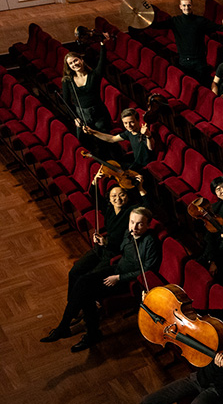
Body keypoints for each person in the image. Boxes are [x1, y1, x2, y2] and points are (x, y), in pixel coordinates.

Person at [42, 178, 146, 345]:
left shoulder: (131, 214)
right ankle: (74, 312)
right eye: (114, 196)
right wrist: (95, 180)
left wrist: (141, 189)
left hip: (113, 257)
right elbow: (94, 196)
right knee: (75, 272)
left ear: (127, 196)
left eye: (121, 195)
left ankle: (68, 322)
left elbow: (145, 209)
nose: (118, 199)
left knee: (85, 285)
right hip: (102, 249)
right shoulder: (110, 210)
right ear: (109, 198)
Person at [62, 206, 161, 352]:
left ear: (148, 224)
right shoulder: (129, 233)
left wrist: (119, 278)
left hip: (126, 281)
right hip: (116, 270)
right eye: (132, 222)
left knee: (87, 293)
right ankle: (68, 323)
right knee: (83, 281)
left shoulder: (151, 242)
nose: (134, 227)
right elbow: (120, 251)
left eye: (140, 224)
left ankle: (91, 334)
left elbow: (147, 270)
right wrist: (106, 243)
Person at [156, 0, 216, 81]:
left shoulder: (200, 20)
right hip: (184, 60)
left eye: (189, 5)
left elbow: (217, 27)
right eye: (184, 5)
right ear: (180, 7)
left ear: (192, 6)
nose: (186, 8)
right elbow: (158, 26)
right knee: (190, 84)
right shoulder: (175, 21)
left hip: (199, 60)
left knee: (203, 82)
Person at [82, 107, 154, 170]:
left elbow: (151, 148)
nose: (128, 126)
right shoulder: (129, 132)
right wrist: (93, 132)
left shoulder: (144, 132)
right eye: (125, 123)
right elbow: (112, 139)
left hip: (145, 167)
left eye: (131, 122)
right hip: (136, 163)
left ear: (138, 120)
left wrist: (148, 135)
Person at [62, 46, 111, 132]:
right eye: (71, 63)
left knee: (103, 137)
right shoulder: (67, 80)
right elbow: (66, 101)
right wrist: (75, 118)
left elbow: (102, 62)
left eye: (75, 60)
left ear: (81, 60)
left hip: (99, 114)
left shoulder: (94, 75)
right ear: (68, 66)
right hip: (81, 116)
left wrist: (102, 45)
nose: (74, 64)